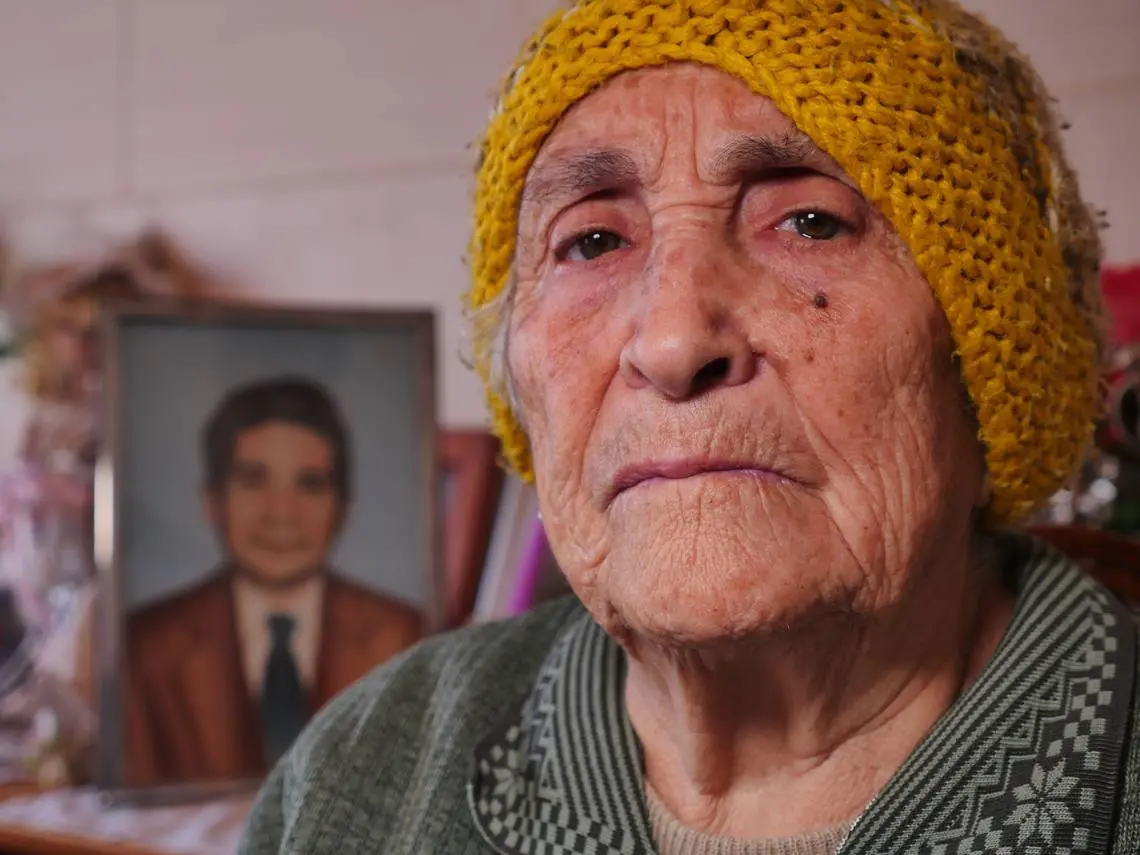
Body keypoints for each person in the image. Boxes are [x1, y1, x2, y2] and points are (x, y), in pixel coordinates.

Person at [241, 1, 1140, 852]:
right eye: (591, 241)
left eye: (812, 222)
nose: (671, 340)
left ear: (993, 370)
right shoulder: (363, 768)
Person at [125, 376, 423, 786]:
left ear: (342, 509)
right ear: (212, 501)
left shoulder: (404, 636)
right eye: (253, 481)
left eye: (310, 485)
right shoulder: (148, 645)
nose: (281, 514)